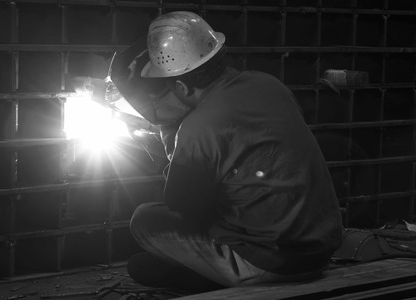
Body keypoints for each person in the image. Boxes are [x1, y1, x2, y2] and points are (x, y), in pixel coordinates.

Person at [111, 11, 344, 292]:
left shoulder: (199, 126)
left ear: (181, 86)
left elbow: (184, 207)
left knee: (144, 221)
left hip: (275, 263)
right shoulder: (269, 84)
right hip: (320, 252)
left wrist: (170, 137)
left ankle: (230, 277)